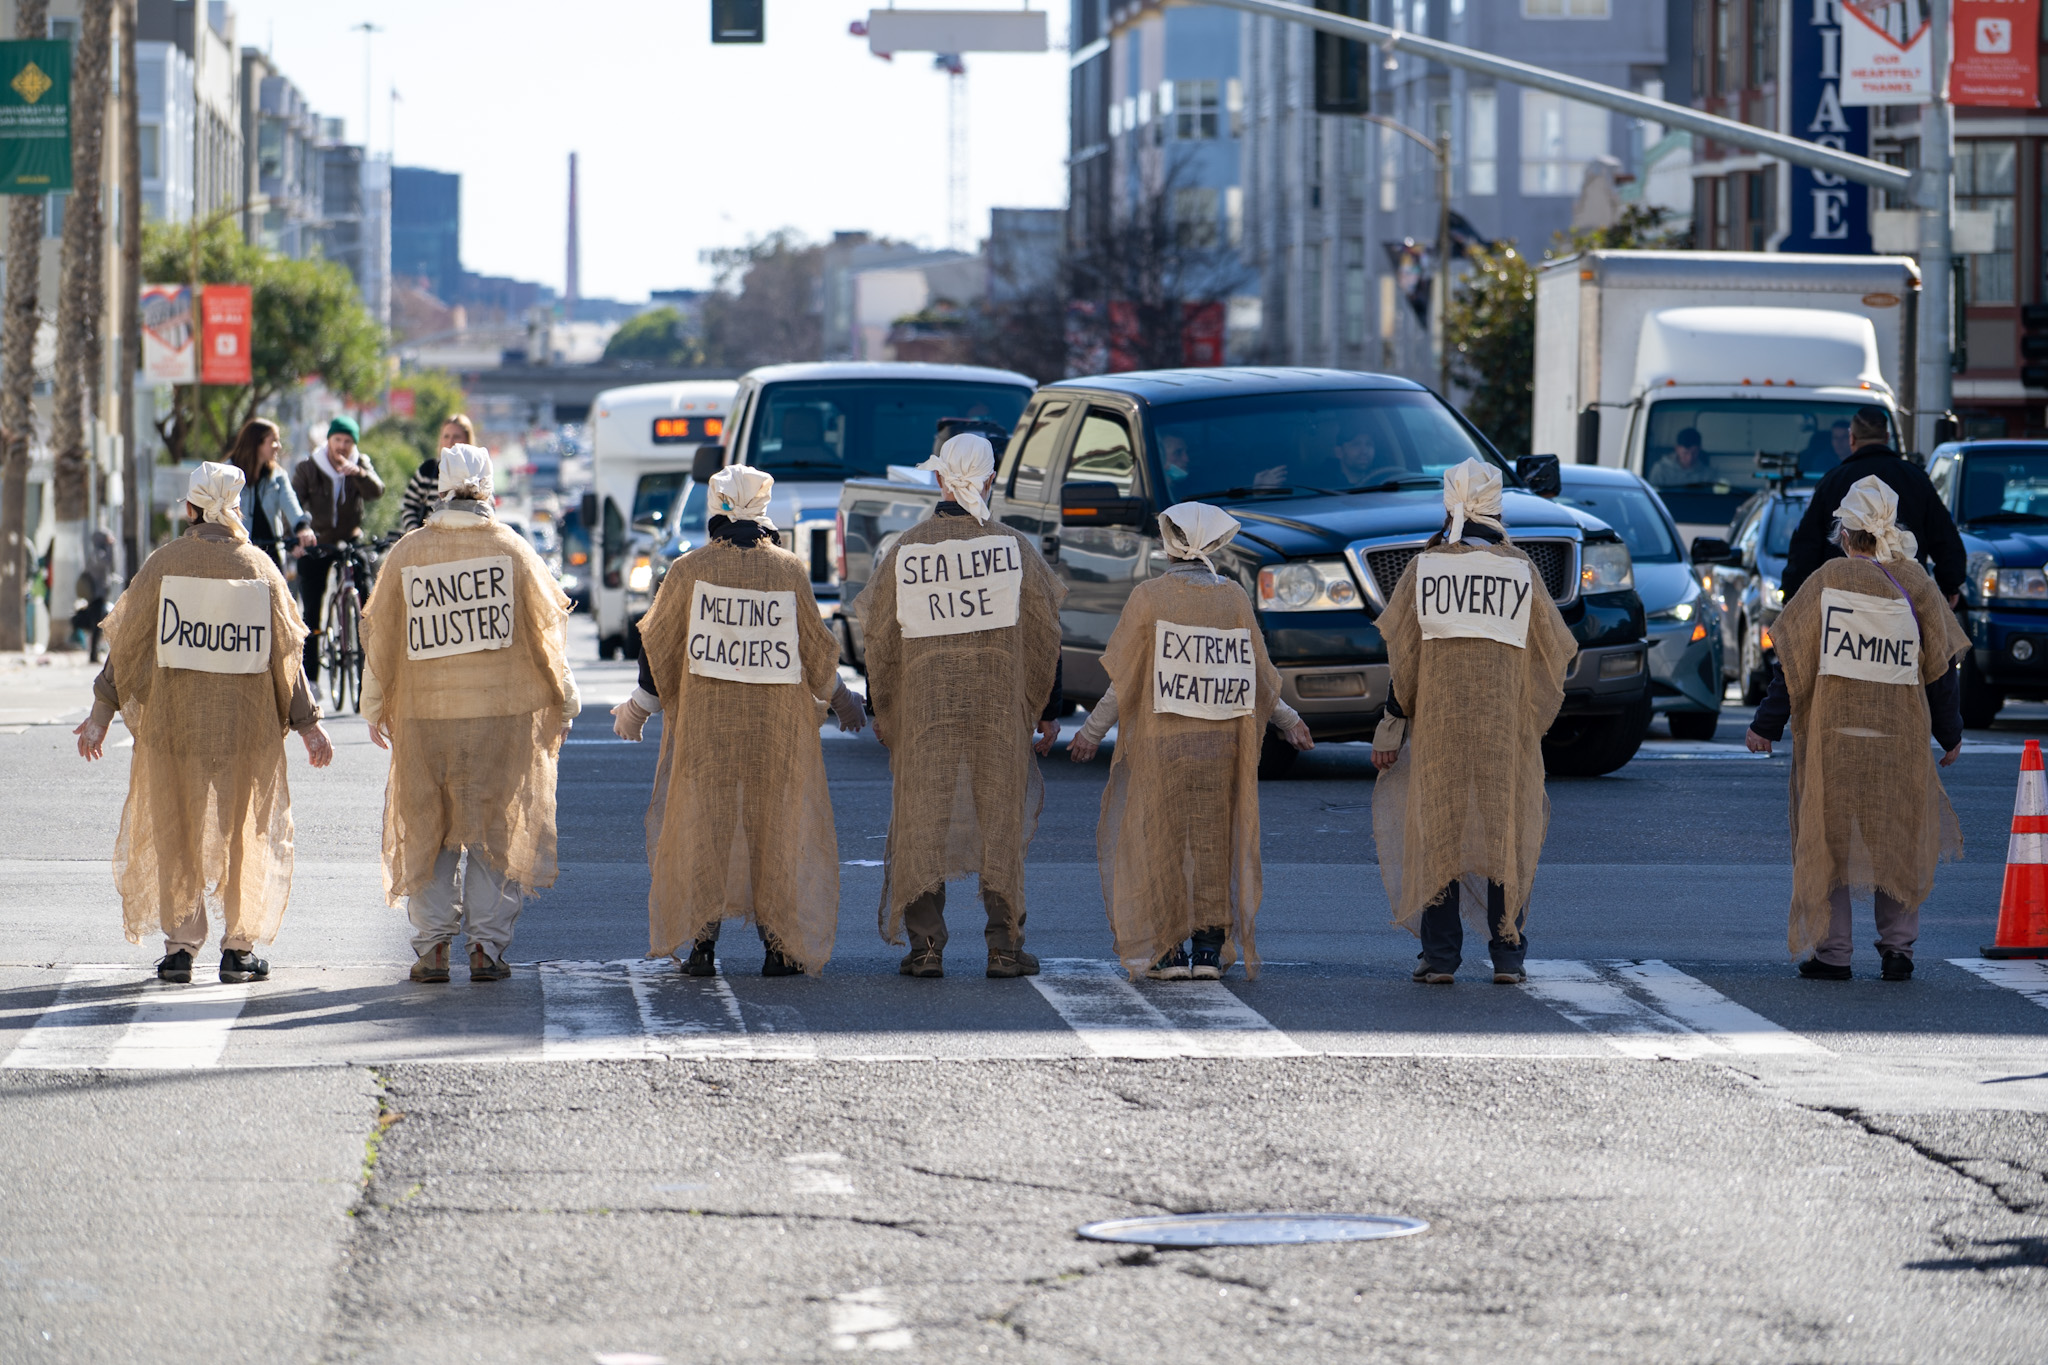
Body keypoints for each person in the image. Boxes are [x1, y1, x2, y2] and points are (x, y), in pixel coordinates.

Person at [73, 462, 334, 983]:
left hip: (176, 730)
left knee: (176, 830)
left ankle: (180, 948)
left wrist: (101, 714)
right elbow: (288, 656)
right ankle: (238, 948)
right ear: (234, 508)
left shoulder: (163, 564)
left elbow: (127, 646)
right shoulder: (259, 567)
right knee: (245, 833)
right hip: (245, 731)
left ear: (190, 509)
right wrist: (309, 726)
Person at [612, 465, 864, 976]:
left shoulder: (687, 570)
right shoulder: (789, 570)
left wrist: (638, 710)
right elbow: (817, 653)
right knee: (775, 832)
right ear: (762, 508)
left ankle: (703, 947)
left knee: (708, 830)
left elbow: (656, 649)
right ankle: (778, 947)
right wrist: (842, 700)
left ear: (717, 507)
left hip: (708, 734)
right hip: (776, 736)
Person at [1068, 501, 1313, 980]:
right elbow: (1261, 677)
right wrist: (1290, 720)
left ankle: (1166, 951)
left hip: (1164, 746)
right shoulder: (1235, 599)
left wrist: (1091, 733)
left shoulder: (1149, 596)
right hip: (1220, 748)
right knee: (1211, 844)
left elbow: (1124, 680)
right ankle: (1208, 950)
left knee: (1159, 842)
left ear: (1169, 541)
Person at [360, 444, 577, 984]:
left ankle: (433, 949)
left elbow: (380, 638)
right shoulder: (513, 550)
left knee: (427, 829)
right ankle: (486, 949)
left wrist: (372, 707)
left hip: (424, 719)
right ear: (489, 490)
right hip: (499, 721)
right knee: (491, 833)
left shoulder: (409, 554)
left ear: (439, 491)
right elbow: (547, 636)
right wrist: (565, 701)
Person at [855, 431, 1065, 979]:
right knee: (1001, 822)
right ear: (991, 480)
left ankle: (925, 947)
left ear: (938, 478)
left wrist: (882, 708)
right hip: (998, 712)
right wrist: (1047, 709)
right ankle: (1005, 948)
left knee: (923, 822)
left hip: (928, 713)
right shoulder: (1014, 548)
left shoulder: (907, 549)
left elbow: (878, 636)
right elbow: (1047, 633)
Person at [1744, 476, 1969, 982]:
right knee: (1896, 839)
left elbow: (1792, 664)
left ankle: (1833, 953)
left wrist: (1766, 725)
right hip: (1899, 740)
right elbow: (1940, 669)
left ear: (1845, 532)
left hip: (1834, 740)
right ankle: (1898, 950)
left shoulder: (1828, 581)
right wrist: (1951, 734)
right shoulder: (1916, 583)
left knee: (1828, 844)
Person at [1371, 458, 1577, 984]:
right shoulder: (1521, 571)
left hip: (1440, 731)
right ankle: (1508, 954)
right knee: (1506, 832)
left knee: (1439, 833)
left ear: (1450, 502)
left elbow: (1406, 660)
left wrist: (1392, 724)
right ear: (1497, 505)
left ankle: (1440, 958)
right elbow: (1555, 652)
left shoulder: (1425, 569)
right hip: (1504, 732)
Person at [1782, 405, 1967, 604]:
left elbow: (1806, 545)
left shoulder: (1832, 482)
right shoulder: (1916, 479)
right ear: (1887, 438)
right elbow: (1944, 536)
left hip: (1843, 603)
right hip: (1904, 600)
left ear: (1852, 438)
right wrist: (1951, 584)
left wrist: (1792, 593)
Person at [292, 415, 386, 680]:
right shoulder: (309, 467)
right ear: (329, 441)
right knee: (311, 610)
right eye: (338, 440)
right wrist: (300, 533)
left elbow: (377, 491)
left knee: (367, 601)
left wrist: (358, 474)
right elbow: (294, 504)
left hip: (350, 539)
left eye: (348, 441)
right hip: (318, 541)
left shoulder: (360, 463)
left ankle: (367, 670)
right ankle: (311, 677)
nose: (342, 446)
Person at [227, 418, 316, 572]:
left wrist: (302, 527)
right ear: (257, 443)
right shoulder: (227, 473)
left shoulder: (278, 475)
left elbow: (290, 503)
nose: (279, 447)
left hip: (271, 556)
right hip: (238, 554)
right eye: (273, 441)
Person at [399, 413, 477, 534]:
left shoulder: (476, 472)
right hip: (429, 543)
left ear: (467, 440)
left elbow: (488, 509)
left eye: (456, 436)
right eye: (446, 436)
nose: (450, 441)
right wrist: (415, 533)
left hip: (466, 542)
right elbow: (408, 505)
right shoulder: (428, 470)